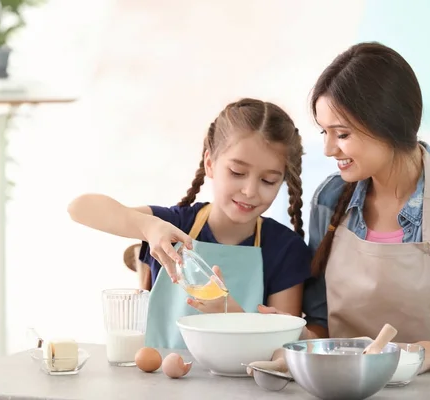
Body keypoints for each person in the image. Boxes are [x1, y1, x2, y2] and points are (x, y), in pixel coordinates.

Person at [260, 42, 430, 375]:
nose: (328, 149)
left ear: (388, 124)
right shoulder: (330, 199)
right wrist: (299, 336)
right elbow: (324, 324)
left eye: (341, 134)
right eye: (324, 132)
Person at [67, 98, 312, 349]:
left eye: (268, 180)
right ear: (210, 163)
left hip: (243, 387)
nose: (250, 190)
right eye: (237, 173)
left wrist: (231, 312)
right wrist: (147, 226)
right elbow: (79, 208)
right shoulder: (175, 225)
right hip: (157, 382)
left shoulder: (285, 249)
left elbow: (284, 345)